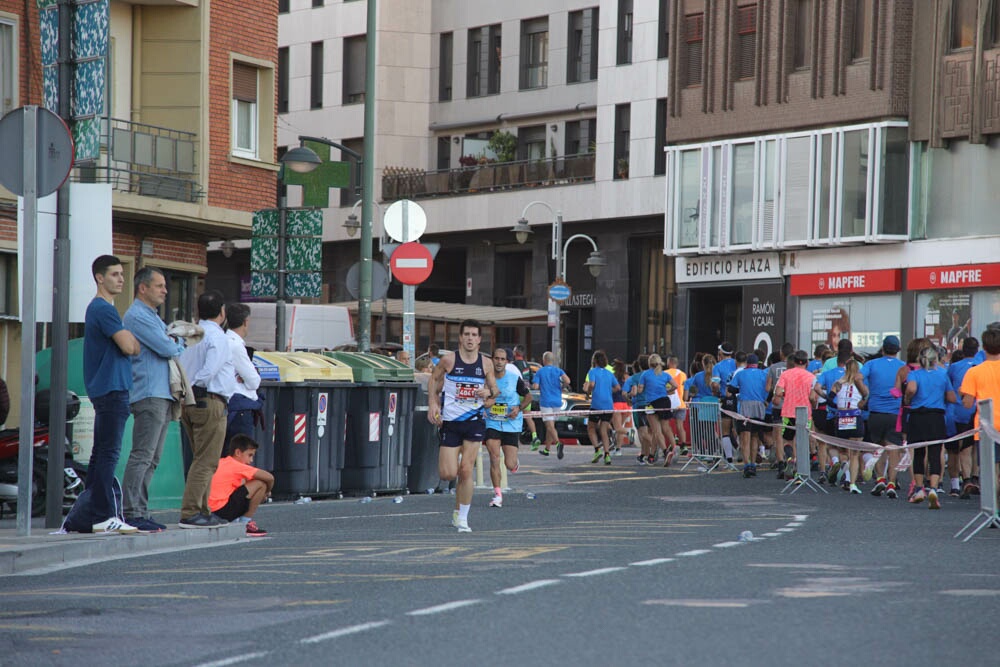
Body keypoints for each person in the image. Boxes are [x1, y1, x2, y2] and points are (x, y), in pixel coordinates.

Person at [122, 267, 185, 533]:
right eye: (159, 286)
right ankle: (130, 511)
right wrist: (176, 341)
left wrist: (175, 341)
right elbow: (169, 347)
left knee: (153, 458)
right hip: (149, 393)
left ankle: (141, 511)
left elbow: (173, 343)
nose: (165, 290)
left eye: (165, 286)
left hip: (161, 393)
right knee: (142, 455)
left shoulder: (153, 317)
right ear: (143, 288)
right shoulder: (137, 316)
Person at [83, 255, 141, 534]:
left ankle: (87, 513)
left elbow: (130, 344)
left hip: (107, 389)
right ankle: (103, 514)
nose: (120, 279)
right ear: (99, 278)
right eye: (115, 274)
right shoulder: (104, 309)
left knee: (100, 453)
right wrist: (130, 340)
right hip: (112, 389)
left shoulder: (102, 309)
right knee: (108, 453)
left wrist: (129, 339)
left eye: (121, 274)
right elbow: (130, 347)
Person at [427, 319, 498, 533]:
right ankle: (459, 498)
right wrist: (433, 403)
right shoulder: (449, 361)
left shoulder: (486, 364)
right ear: (460, 337)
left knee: (466, 470)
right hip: (450, 422)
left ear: (479, 339)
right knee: (448, 473)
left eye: (474, 335)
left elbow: (495, 392)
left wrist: (488, 394)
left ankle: (462, 517)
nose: (470, 338)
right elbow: (433, 380)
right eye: (466, 334)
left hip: (475, 421)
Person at [178, 290, 235, 529]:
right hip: (209, 400)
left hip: (188, 402)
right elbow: (210, 371)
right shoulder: (218, 337)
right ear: (222, 312)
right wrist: (198, 385)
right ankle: (191, 512)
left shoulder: (191, 335)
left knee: (199, 458)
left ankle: (203, 509)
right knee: (206, 461)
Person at [904, 347, 957, 508]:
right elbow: (951, 397)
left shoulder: (914, 374)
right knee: (935, 452)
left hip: (917, 416)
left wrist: (907, 399)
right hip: (936, 416)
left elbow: (911, 388)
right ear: (936, 359)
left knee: (918, 452)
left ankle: (919, 488)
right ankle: (934, 487)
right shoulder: (942, 374)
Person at [483, 348, 532, 508]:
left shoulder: (514, 379)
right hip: (493, 422)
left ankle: (514, 463)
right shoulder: (486, 379)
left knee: (509, 464)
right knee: (494, 457)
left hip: (511, 423)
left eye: (502, 359)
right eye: (496, 358)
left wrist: (518, 408)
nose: (499, 362)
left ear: (506, 362)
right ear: (492, 360)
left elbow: (528, 396)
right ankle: (497, 494)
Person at [959, 326, 1000, 502]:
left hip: (986, 426)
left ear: (983, 347)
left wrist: (963, 394)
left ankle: (994, 510)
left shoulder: (974, 372)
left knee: (992, 471)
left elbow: (967, 404)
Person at [862, 335, 906, 499]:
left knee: (878, 448)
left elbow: (858, 377)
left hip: (875, 412)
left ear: (882, 348)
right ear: (898, 350)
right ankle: (891, 483)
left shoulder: (871, 364)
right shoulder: (903, 366)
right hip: (895, 413)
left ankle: (880, 478)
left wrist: (865, 394)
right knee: (893, 449)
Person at [207, 434, 273, 536]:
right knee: (261, 484)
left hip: (210, 511)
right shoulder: (237, 466)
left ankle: (236, 520)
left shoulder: (222, 462)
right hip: (222, 511)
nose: (251, 460)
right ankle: (245, 524)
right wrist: (267, 491)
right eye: (249, 455)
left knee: (243, 481)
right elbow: (269, 477)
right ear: (238, 452)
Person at [223, 303, 262, 454]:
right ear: (246, 321)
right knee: (241, 457)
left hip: (227, 407)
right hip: (240, 410)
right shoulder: (236, 346)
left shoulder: (223, 340)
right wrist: (246, 377)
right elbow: (254, 381)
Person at [772, 350, 816, 480]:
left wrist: (784, 395)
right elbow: (813, 397)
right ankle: (799, 471)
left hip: (789, 411)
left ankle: (791, 458)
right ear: (807, 362)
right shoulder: (811, 377)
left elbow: (778, 392)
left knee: (788, 440)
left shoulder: (785, 374)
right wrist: (813, 405)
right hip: (805, 413)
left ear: (794, 362)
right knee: (802, 442)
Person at [947, 338, 980, 497]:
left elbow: (950, 387)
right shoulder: (981, 365)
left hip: (959, 411)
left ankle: (966, 479)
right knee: (975, 446)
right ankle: (975, 477)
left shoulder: (953, 367)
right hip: (980, 411)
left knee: (962, 448)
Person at [729, 353, 768, 478]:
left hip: (744, 406)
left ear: (747, 363)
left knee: (745, 436)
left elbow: (731, 389)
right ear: (757, 364)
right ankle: (753, 463)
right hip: (759, 406)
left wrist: (742, 389)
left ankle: (746, 465)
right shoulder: (763, 374)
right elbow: (770, 389)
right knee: (755, 436)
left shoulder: (741, 374)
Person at [637, 353, 677, 466]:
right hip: (664, 400)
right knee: (665, 427)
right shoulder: (664, 374)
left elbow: (640, 390)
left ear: (649, 363)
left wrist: (634, 392)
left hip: (651, 403)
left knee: (656, 431)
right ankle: (655, 454)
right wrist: (666, 391)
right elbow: (675, 386)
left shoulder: (645, 374)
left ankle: (665, 452)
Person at [584, 350, 620, 465]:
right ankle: (607, 455)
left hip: (597, 404)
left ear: (594, 360)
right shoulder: (609, 373)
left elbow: (592, 384)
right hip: (608, 404)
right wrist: (609, 391)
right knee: (604, 430)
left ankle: (597, 449)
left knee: (591, 428)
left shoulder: (592, 371)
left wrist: (588, 393)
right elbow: (618, 388)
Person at [532, 351, 571, 458]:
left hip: (546, 401)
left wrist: (539, 386)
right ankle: (547, 449)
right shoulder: (558, 370)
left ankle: (558, 443)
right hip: (557, 401)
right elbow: (568, 380)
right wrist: (562, 387)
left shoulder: (540, 371)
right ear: (552, 360)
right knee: (551, 426)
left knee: (549, 426)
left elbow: (535, 386)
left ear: (544, 360)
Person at [511, 344, 542, 449]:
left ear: (515, 353)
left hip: (516, 393)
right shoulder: (527, 365)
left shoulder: (512, 365)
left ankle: (516, 440)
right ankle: (535, 437)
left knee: (514, 416)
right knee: (528, 417)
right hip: (527, 394)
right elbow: (531, 380)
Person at [665, 356, 688, 454]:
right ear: (677, 363)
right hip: (681, 403)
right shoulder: (683, 374)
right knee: (680, 425)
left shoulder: (665, 373)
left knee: (667, 424)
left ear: (669, 362)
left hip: (669, 403)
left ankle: (673, 442)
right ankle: (683, 445)